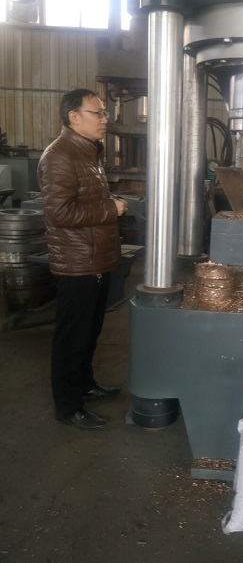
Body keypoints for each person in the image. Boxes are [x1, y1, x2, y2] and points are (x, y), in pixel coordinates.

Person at [38, 88, 128, 430]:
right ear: (73, 117)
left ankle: (84, 384)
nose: (105, 119)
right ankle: (67, 406)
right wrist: (110, 209)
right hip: (77, 264)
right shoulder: (59, 156)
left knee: (90, 331)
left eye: (104, 113)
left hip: (95, 260)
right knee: (72, 338)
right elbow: (60, 213)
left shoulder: (88, 152)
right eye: (97, 113)